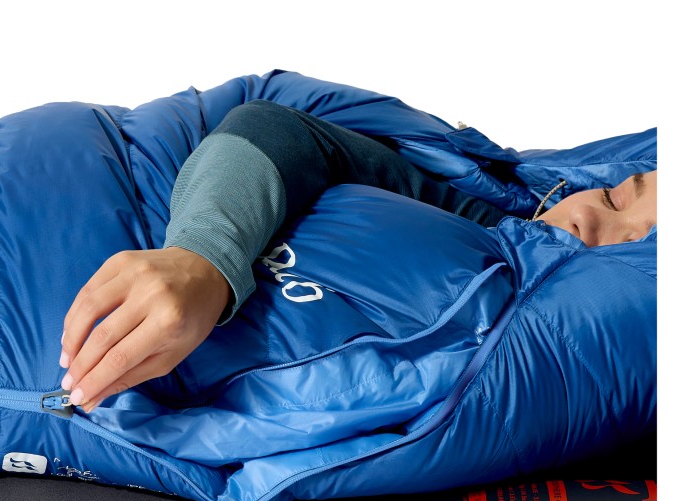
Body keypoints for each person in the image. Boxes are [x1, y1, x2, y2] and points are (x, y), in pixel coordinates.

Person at [59, 99, 659, 412]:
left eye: (640, 243)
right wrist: (203, 258)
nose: (587, 218)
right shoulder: (478, 213)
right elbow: (282, 129)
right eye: (613, 195)